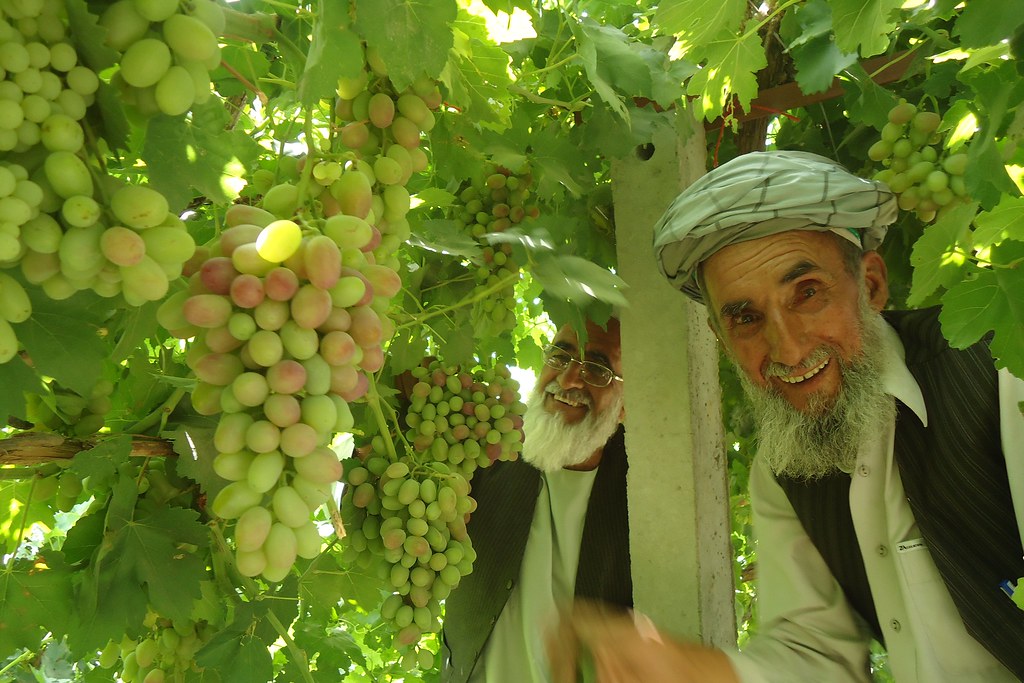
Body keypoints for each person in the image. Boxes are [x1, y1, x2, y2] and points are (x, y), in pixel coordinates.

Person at [549, 151, 1024, 683]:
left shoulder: (1001, 371)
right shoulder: (782, 471)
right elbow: (816, 657)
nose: (789, 349)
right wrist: (688, 669)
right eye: (746, 318)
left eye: (808, 293)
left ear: (870, 285)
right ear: (720, 338)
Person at [442, 316, 629, 683]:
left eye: (597, 369)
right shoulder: (484, 445)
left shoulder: (648, 493)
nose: (568, 379)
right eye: (560, 356)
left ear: (627, 404)